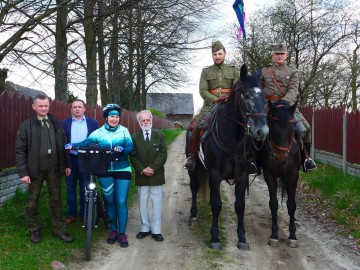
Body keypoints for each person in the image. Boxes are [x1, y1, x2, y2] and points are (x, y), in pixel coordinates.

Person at [66, 104, 134, 248]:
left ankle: (122, 233)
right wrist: (73, 145)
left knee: (121, 201)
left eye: (117, 116)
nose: (114, 119)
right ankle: (113, 230)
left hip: (122, 169)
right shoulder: (98, 132)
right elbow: (86, 142)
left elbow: (130, 147)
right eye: (111, 116)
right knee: (109, 201)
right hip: (104, 170)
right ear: (106, 118)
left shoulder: (124, 131)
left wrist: (123, 149)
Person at [15, 95, 73, 244]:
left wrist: (67, 164)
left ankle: (59, 229)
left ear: (49, 106)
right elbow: (20, 150)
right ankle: (35, 229)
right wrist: (23, 172)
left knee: (56, 200)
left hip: (54, 168)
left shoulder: (55, 124)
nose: (43, 108)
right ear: (34, 107)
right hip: (35, 170)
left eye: (46, 105)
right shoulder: (26, 125)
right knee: (32, 201)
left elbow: (64, 145)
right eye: (40, 106)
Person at [260, 42, 317, 172]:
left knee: (306, 129)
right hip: (268, 107)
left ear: (286, 55)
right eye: (277, 54)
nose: (279, 56)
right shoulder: (264, 71)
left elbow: (293, 90)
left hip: (287, 107)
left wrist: (283, 103)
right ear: (272, 56)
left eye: (282, 54)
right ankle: (252, 160)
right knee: (253, 128)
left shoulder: (293, 72)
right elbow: (258, 88)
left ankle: (306, 160)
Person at [184, 40, 239, 171]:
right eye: (215, 54)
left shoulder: (233, 70)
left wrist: (229, 99)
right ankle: (192, 157)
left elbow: (237, 89)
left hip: (229, 106)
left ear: (225, 54)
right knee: (196, 126)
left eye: (220, 54)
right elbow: (202, 91)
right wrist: (215, 99)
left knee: (246, 125)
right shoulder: (206, 71)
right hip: (210, 105)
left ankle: (249, 159)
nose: (217, 57)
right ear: (212, 56)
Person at [130, 110, 167, 242]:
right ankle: (145, 228)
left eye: (147, 120)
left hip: (156, 174)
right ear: (139, 122)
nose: (145, 122)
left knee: (157, 203)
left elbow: (163, 154)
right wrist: (142, 169)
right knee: (142, 203)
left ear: (151, 120)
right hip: (141, 176)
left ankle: (156, 230)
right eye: (142, 120)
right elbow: (133, 156)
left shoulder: (160, 136)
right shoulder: (134, 137)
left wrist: (152, 168)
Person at [61, 99, 99, 224]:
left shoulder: (93, 123)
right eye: (74, 107)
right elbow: (62, 143)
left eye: (79, 107)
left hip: (86, 160)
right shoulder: (64, 124)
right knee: (70, 188)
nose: (77, 109)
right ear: (71, 109)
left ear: (84, 109)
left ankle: (85, 213)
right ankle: (72, 214)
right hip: (70, 160)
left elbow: (96, 141)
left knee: (85, 188)